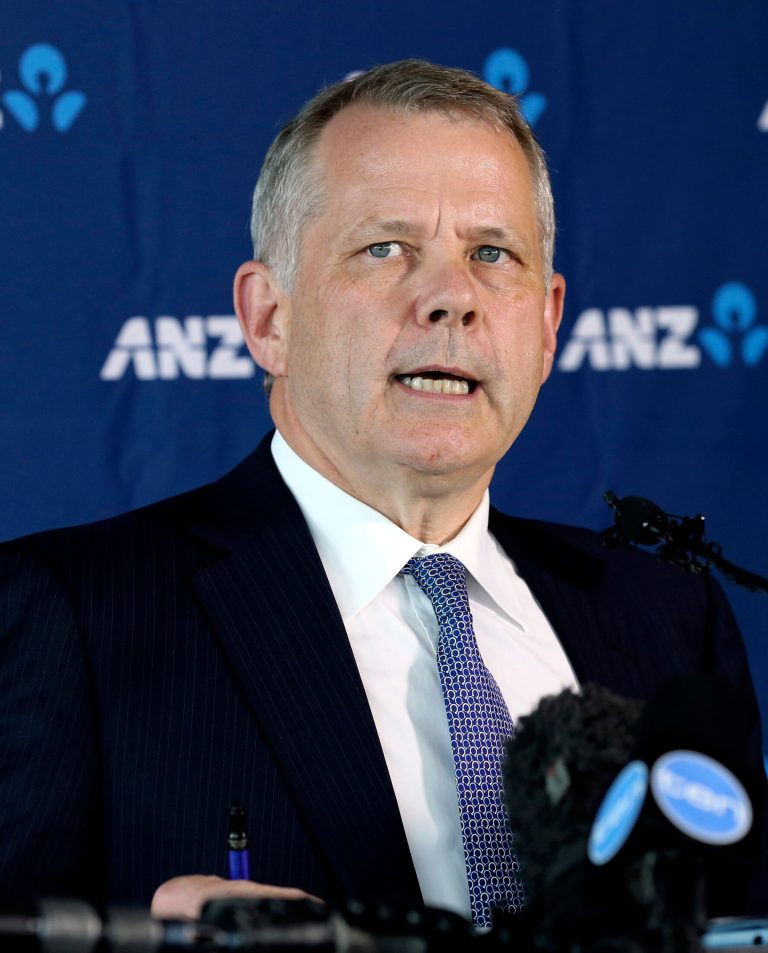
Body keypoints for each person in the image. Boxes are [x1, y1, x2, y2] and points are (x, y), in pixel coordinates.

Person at [0, 60, 763, 926]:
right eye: (386, 249)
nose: (450, 299)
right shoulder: (73, 614)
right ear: (268, 320)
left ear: (548, 325)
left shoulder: (668, 618)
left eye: (491, 254)